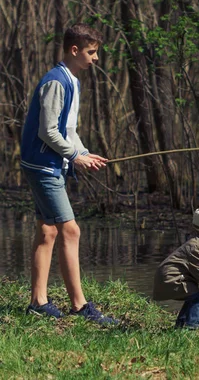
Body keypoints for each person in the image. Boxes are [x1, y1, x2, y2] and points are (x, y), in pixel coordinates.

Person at [20, 23, 117, 325]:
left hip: (50, 163)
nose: (95, 58)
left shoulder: (73, 82)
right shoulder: (56, 82)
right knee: (70, 230)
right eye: (91, 52)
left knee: (48, 231)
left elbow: (69, 130)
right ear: (74, 51)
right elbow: (47, 131)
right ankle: (79, 305)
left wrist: (84, 153)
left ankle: (38, 302)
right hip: (41, 165)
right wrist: (74, 157)